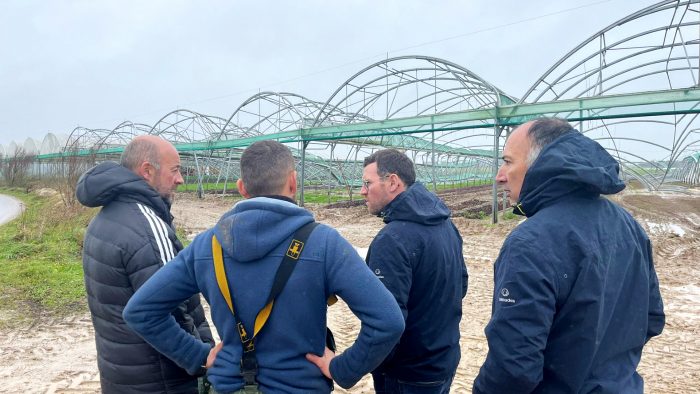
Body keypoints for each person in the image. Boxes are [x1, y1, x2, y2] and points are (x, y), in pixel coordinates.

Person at [123, 140, 405, 393]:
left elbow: (141, 311)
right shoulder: (324, 243)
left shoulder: (207, 245)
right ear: (293, 183)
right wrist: (343, 368)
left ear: (241, 188)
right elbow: (388, 321)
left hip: (231, 386)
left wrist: (196, 355)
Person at [473, 118, 666, 393]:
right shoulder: (627, 224)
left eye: (508, 161)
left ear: (540, 165)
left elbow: (513, 368)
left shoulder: (531, 242)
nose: (499, 175)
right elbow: (653, 317)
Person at [76, 135, 214, 393]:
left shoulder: (105, 218)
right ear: (147, 171)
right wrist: (202, 358)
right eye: (174, 170)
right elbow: (174, 310)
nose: (180, 179)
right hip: (160, 380)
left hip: (122, 373)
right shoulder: (147, 227)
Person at [360, 149, 468, 393]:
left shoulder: (393, 239)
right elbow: (460, 285)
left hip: (407, 374)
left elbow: (385, 321)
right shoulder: (445, 225)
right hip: (442, 362)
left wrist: (347, 367)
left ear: (393, 182)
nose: (362, 191)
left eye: (368, 183)